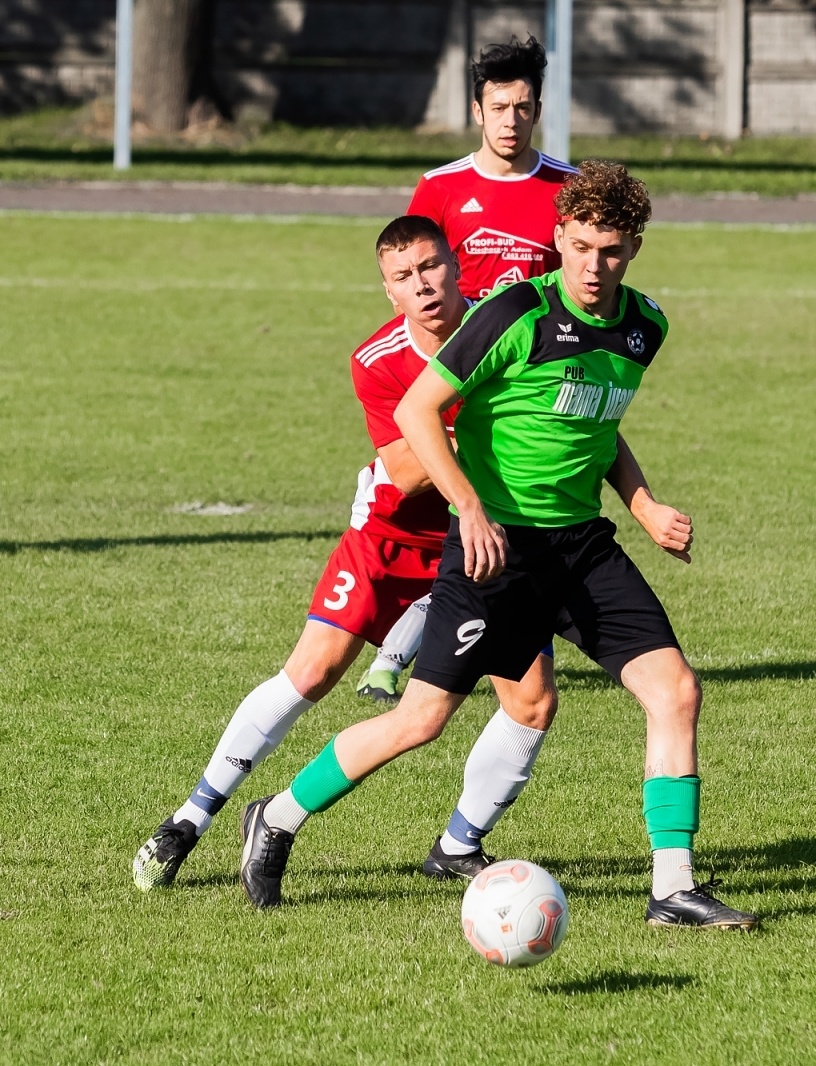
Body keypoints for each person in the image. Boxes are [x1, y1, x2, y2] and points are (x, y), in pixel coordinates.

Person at [238, 162, 762, 930]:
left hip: (582, 547)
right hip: (496, 551)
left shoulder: (644, 327)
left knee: (675, 691)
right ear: (558, 239)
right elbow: (421, 410)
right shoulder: (518, 311)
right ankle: (277, 817)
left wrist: (644, 506)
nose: (592, 265)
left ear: (635, 248)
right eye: (578, 246)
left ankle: (672, 889)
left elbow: (595, 422)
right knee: (420, 721)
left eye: (609, 250)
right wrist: (470, 508)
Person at [132, 215, 557, 890]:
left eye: (431, 268)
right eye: (403, 277)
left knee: (531, 700)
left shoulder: (508, 328)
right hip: (393, 538)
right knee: (315, 671)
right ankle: (191, 817)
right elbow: (409, 471)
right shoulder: (377, 359)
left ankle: (458, 843)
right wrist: (468, 410)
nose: (422, 287)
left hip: (482, 537)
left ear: (456, 266)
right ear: (388, 291)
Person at [353, 35, 574, 702]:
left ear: (538, 108)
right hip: (444, 385)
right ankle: (415, 650)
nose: (511, 120)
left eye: (523, 107)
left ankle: (415, 656)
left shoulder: (566, 188)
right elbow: (410, 279)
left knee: (503, 527)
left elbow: (577, 298)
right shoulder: (440, 188)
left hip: (520, 392)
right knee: (452, 518)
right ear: (477, 110)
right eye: (498, 107)